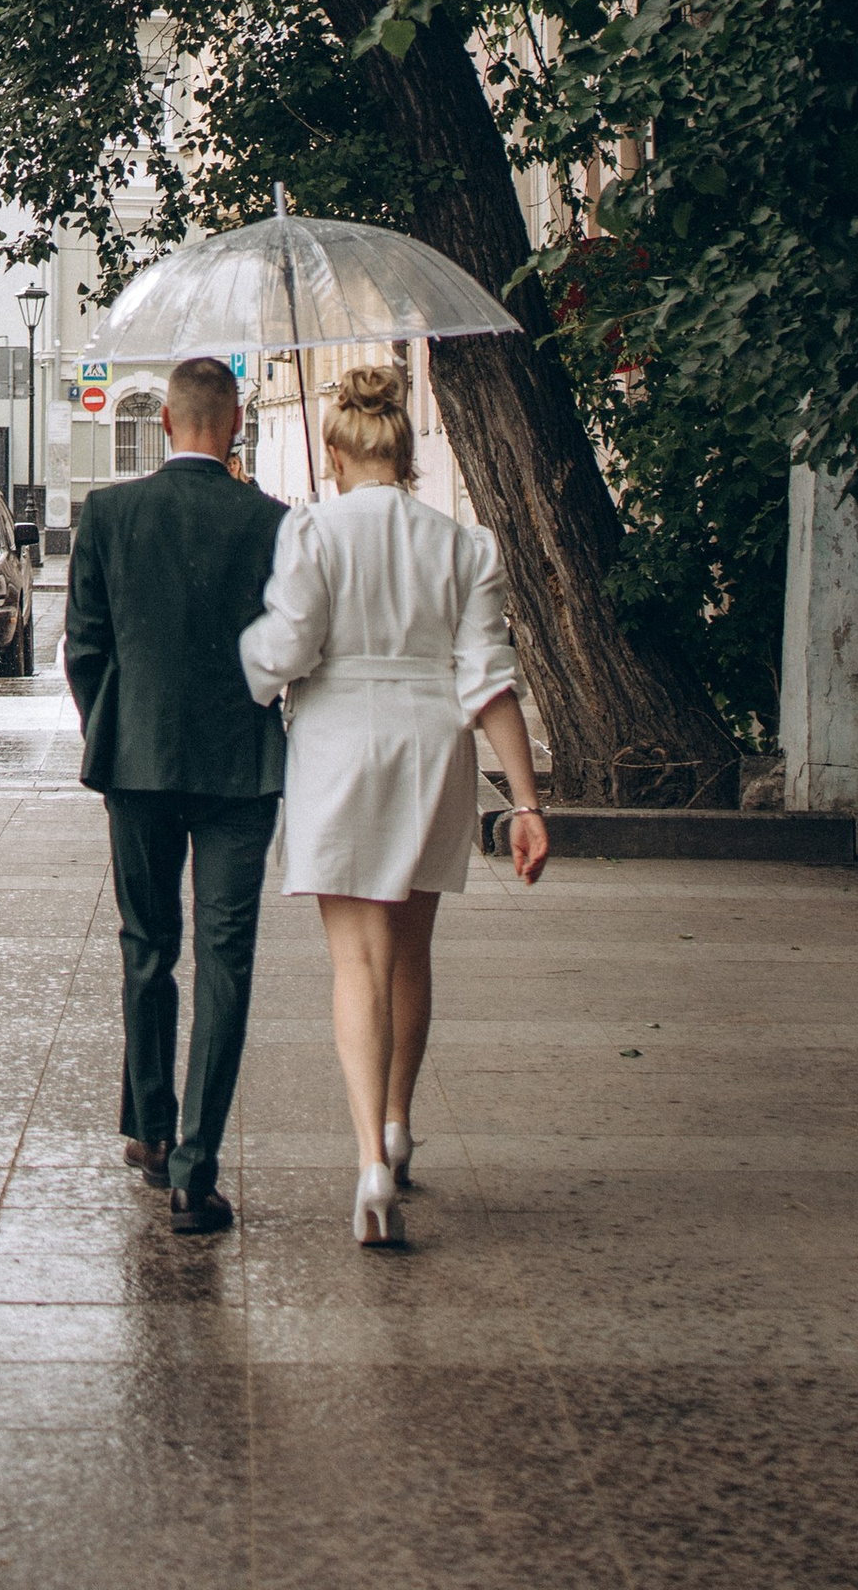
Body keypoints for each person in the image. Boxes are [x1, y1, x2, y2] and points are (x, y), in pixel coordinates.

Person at [240, 358, 549, 1250]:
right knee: (411, 950)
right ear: (406, 452)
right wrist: (524, 803)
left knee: (356, 963)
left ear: (335, 448)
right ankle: (400, 1127)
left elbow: (288, 650)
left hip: (338, 744)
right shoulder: (462, 546)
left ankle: (367, 1158)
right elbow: (490, 680)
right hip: (430, 745)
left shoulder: (313, 532)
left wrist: (252, 665)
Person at [62, 352, 285, 1237]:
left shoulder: (112, 513)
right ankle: (198, 1167)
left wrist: (113, 730)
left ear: (164, 423)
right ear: (234, 424)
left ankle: (151, 1133)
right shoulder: (272, 522)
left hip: (139, 760)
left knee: (147, 945)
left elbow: (84, 649)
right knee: (227, 957)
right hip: (242, 770)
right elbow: (288, 643)